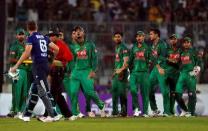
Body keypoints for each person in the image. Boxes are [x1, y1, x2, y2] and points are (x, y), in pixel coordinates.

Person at [10, 21, 60, 122]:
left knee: (44, 91)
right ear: (36, 27)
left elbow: (27, 52)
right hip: (45, 66)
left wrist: (16, 66)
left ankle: (54, 114)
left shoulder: (31, 38)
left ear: (28, 29)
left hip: (38, 67)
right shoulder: (44, 37)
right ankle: (26, 115)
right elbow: (56, 48)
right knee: (34, 91)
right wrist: (50, 60)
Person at [69, 26, 106, 120]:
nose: (78, 33)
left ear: (84, 33)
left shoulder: (90, 45)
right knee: (73, 92)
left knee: (89, 92)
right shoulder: (73, 46)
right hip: (76, 72)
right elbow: (72, 60)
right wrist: (71, 71)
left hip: (86, 71)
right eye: (76, 31)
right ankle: (75, 113)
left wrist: (93, 70)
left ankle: (101, 105)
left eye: (80, 31)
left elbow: (94, 58)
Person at [46, 27, 73, 119]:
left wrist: (54, 62)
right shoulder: (51, 45)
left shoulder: (62, 45)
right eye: (49, 36)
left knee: (53, 93)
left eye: (51, 36)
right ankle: (68, 115)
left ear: (56, 36)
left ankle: (48, 115)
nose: (50, 37)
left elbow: (69, 58)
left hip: (59, 70)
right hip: (53, 71)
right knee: (59, 95)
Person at [7, 28, 31, 117]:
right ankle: (15, 110)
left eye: (22, 34)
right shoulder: (14, 46)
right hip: (17, 70)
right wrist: (22, 61)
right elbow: (11, 59)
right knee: (17, 91)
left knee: (24, 92)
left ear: (24, 35)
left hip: (25, 71)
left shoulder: (26, 46)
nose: (21, 36)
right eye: (19, 34)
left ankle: (20, 110)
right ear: (16, 36)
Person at [175, 37, 201, 117]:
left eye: (188, 42)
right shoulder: (181, 52)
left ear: (190, 43)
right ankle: (184, 110)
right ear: (183, 44)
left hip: (190, 75)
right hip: (182, 75)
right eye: (185, 42)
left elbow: (200, 63)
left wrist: (195, 71)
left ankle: (191, 112)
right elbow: (178, 64)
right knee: (177, 94)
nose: (186, 44)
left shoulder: (194, 52)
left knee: (191, 95)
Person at [148, 28, 171, 116]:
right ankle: (155, 109)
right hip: (155, 69)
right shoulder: (153, 45)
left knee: (165, 91)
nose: (150, 36)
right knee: (148, 88)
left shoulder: (163, 44)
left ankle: (167, 111)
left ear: (157, 35)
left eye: (151, 34)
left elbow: (163, 57)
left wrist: (159, 67)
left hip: (162, 68)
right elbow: (152, 58)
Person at [129, 31, 150, 117]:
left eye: (140, 36)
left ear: (144, 37)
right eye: (137, 36)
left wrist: (148, 65)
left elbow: (150, 60)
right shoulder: (133, 48)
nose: (139, 38)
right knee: (133, 90)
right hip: (134, 73)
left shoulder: (148, 48)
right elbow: (130, 61)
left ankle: (145, 112)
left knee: (144, 93)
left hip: (144, 73)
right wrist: (129, 72)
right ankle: (136, 109)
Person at [111, 32, 129, 117]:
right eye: (116, 37)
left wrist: (121, 70)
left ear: (122, 38)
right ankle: (115, 112)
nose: (117, 38)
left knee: (122, 93)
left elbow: (126, 62)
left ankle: (124, 112)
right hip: (117, 73)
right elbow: (118, 61)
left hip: (122, 74)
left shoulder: (124, 47)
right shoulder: (117, 47)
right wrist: (114, 72)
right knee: (114, 92)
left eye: (119, 37)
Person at [166, 34, 181, 115]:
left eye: (174, 39)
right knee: (166, 92)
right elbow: (165, 60)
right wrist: (173, 61)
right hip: (168, 73)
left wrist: (171, 61)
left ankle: (171, 111)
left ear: (177, 40)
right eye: (171, 39)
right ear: (169, 41)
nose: (173, 40)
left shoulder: (180, 50)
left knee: (174, 93)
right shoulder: (167, 50)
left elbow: (180, 62)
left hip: (176, 74)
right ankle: (167, 110)